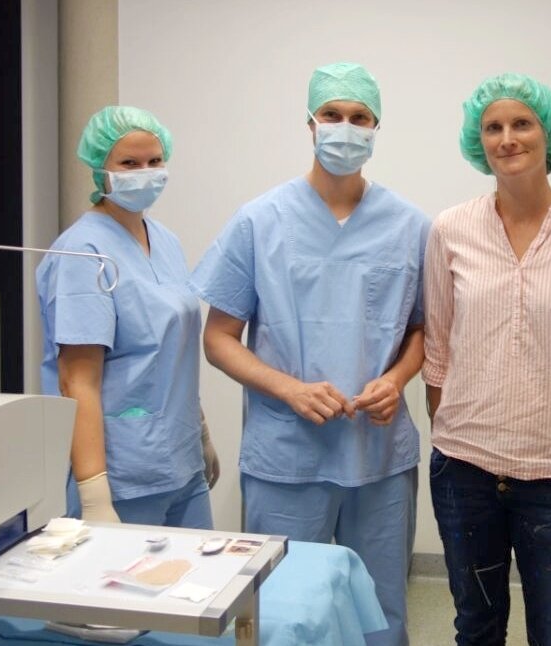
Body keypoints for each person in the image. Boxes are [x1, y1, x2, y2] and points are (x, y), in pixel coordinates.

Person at [189, 62, 430, 646]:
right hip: (287, 457)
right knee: (279, 611)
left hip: (377, 455)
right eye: (332, 115)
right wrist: (289, 389)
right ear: (310, 124)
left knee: (380, 611)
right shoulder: (260, 221)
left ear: (376, 128)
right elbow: (218, 338)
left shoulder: (410, 225)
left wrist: (396, 378)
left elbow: (422, 330)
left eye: (359, 118)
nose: (344, 127)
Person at [423, 73, 551, 646]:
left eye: (521, 123)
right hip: (464, 469)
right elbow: (438, 353)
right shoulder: (450, 230)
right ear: (477, 141)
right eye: (492, 127)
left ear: (548, 133)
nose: (507, 137)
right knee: (475, 628)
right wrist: (455, 434)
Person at [37, 105, 219, 528]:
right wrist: (96, 496)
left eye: (155, 162)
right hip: (123, 474)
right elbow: (77, 380)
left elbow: (174, 353)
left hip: (181, 457)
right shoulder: (83, 253)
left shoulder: (165, 240)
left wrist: (201, 433)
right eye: (129, 163)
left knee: (200, 588)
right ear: (100, 170)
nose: (145, 172)